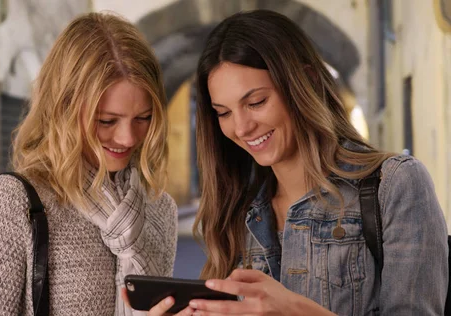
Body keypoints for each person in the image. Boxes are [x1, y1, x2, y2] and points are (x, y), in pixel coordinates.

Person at [187, 9, 448, 316]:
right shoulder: (236, 210)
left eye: (256, 102)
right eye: (224, 113)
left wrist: (296, 310)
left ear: (306, 81)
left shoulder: (395, 185)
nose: (242, 128)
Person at [0, 12, 179, 316]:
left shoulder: (159, 211)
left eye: (143, 118)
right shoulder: (13, 203)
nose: (128, 138)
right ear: (64, 108)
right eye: (107, 120)